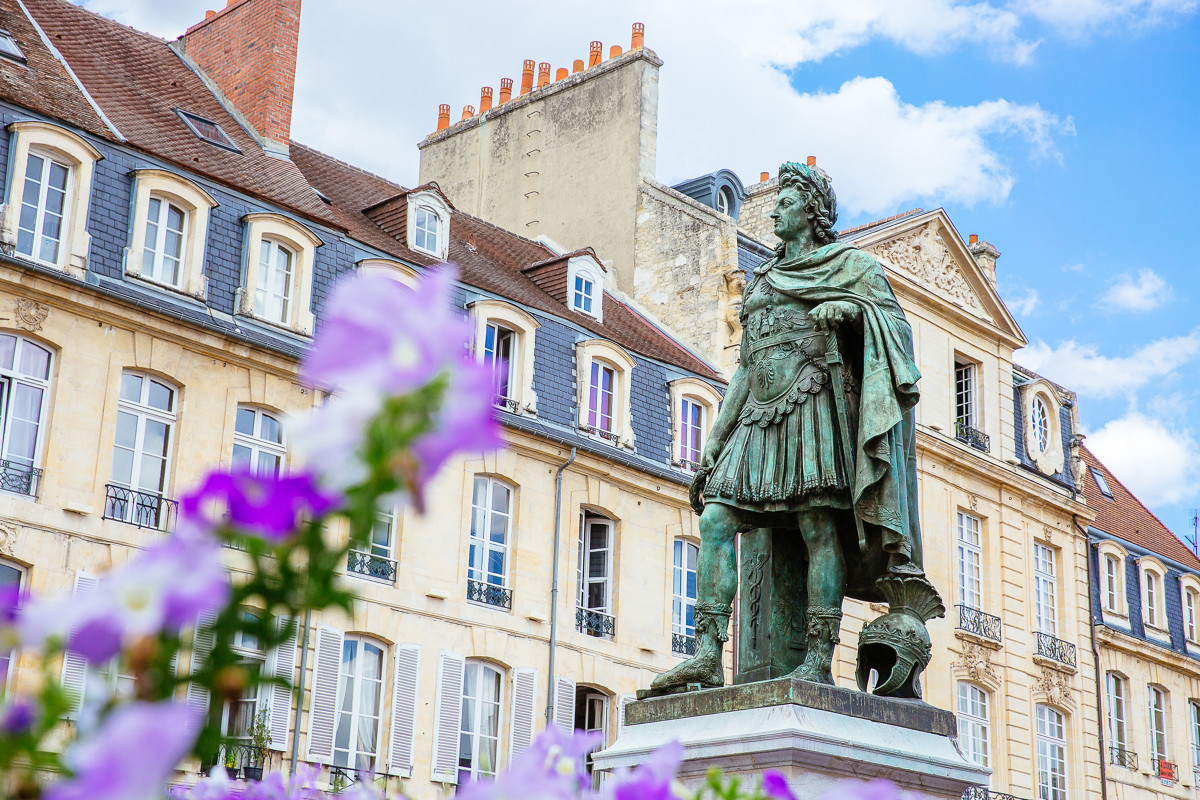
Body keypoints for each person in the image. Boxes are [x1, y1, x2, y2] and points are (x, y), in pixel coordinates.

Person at [651, 161, 936, 694]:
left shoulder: (848, 266)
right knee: (715, 520)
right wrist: (715, 438)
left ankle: (816, 657)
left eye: (786, 201)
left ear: (812, 211)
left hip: (811, 406)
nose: (775, 208)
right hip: (757, 414)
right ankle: (708, 654)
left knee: (818, 531)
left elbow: (894, 328)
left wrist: (850, 314)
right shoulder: (762, 278)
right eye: (777, 199)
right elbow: (746, 365)